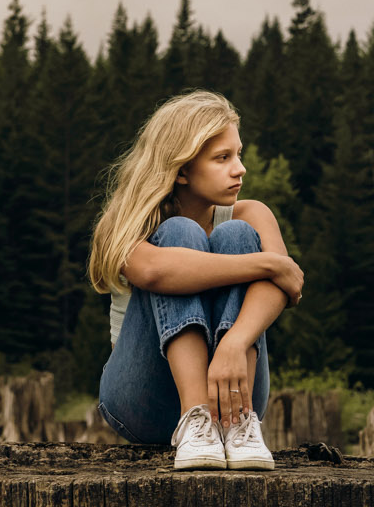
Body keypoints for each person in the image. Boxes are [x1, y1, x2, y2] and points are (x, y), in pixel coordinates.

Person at [89, 91, 303, 470]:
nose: (240, 169)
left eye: (238, 154)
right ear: (183, 168)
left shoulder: (252, 214)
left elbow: (285, 288)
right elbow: (155, 271)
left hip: (238, 388)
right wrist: (268, 264)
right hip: (143, 400)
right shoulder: (128, 224)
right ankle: (195, 418)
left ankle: (239, 427)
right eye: (222, 158)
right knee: (180, 233)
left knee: (236, 236)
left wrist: (233, 344)